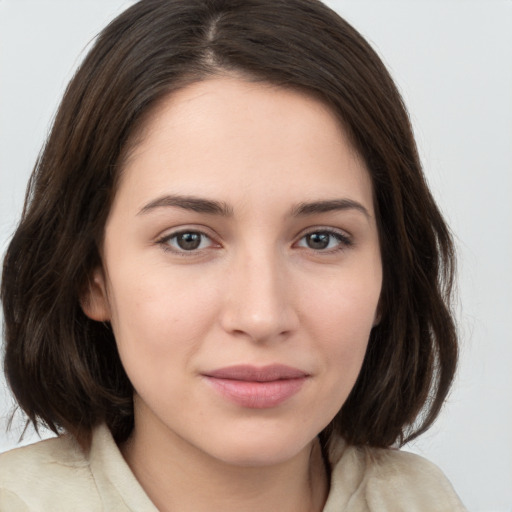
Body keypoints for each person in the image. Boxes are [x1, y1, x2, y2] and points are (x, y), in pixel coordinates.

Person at [0, 0, 467, 510]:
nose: (261, 316)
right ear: (92, 276)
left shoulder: (421, 498)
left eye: (320, 239)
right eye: (188, 239)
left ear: (389, 275)